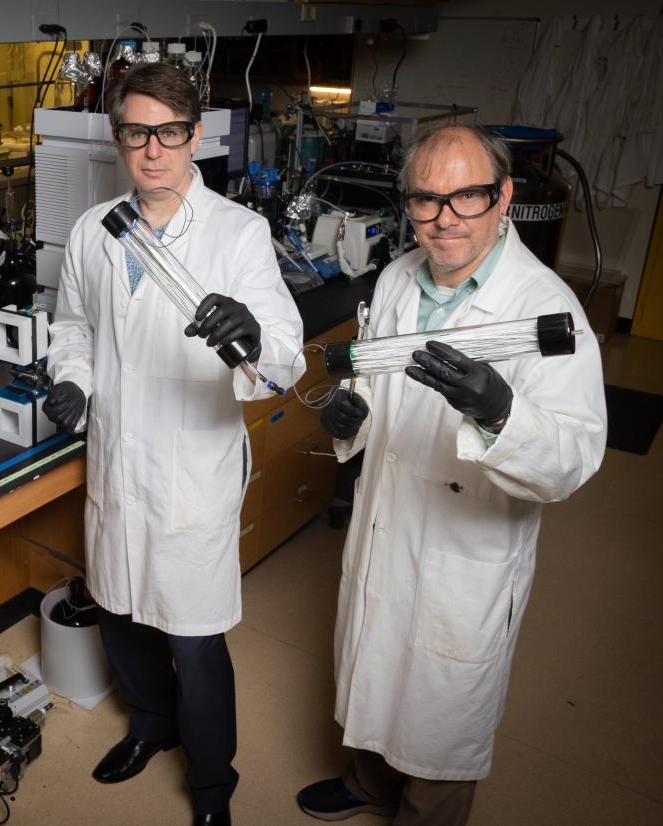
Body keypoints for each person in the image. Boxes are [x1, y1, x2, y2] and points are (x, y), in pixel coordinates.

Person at [297, 123, 607, 825]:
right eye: (426, 200)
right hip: (388, 517)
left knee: (442, 706)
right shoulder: (400, 276)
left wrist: (501, 413)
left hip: (467, 549)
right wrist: (353, 418)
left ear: (501, 198)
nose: (444, 220)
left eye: (466, 197)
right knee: (376, 659)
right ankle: (370, 782)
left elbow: (573, 459)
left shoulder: (547, 311)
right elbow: (374, 381)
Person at [44, 63, 305, 826]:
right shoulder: (95, 231)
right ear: (118, 137)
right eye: (135, 132)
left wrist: (252, 334)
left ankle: (213, 784)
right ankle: (151, 727)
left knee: (194, 642)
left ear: (197, 137)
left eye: (168, 133)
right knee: (121, 614)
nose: (151, 150)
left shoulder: (237, 233)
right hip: (118, 460)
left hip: (192, 469)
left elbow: (285, 351)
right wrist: (73, 382)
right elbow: (75, 330)